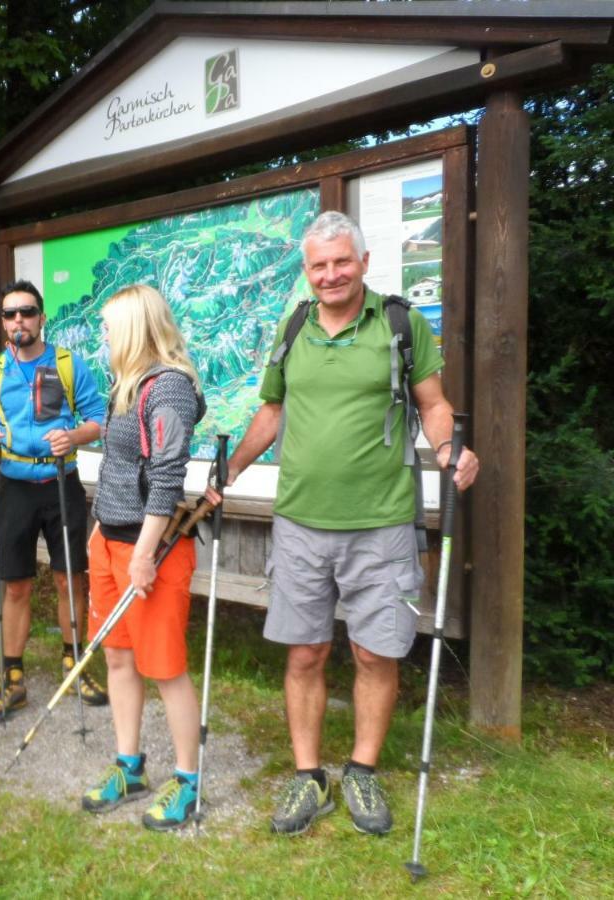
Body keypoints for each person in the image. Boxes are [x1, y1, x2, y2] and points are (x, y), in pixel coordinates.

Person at [204, 211, 480, 837]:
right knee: (305, 651)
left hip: (381, 522)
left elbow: (434, 405)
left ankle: (361, 769)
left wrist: (446, 453)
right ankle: (308, 777)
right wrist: (233, 469)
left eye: (340, 262)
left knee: (373, 651)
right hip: (300, 521)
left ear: (362, 261)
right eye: (318, 265)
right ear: (307, 271)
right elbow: (273, 410)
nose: (330, 275)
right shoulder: (295, 324)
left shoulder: (402, 324)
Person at [79, 284, 207, 831]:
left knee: (166, 668)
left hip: (148, 552)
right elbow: (117, 467)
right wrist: (98, 537)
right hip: (108, 542)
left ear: (133, 328)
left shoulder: (170, 388)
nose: (103, 336)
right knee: (118, 658)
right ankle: (129, 766)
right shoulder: (124, 385)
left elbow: (166, 480)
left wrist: (145, 555)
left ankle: (187, 781)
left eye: (109, 328)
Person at [0, 279, 108, 722]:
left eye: (27, 312)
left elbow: (98, 418)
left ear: (41, 318)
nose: (18, 321)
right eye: (10, 314)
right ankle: (12, 679)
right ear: (4, 322)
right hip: (15, 488)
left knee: (70, 578)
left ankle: (75, 663)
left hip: (61, 483)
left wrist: (74, 436)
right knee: (16, 584)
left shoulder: (67, 364)